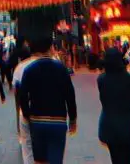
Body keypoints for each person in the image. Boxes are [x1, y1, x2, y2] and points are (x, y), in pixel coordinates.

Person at [20, 36, 77, 164]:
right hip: (58, 121)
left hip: (37, 121)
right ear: (51, 48)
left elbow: (22, 96)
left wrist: (27, 115)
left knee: (40, 160)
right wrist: (72, 119)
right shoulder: (61, 69)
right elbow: (70, 95)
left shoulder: (29, 69)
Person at [97, 47, 130, 164]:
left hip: (109, 127)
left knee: (116, 159)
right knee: (129, 160)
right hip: (128, 127)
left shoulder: (101, 80)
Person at [12, 50, 38, 164]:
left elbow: (15, 86)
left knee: (26, 145)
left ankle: (21, 137)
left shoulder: (19, 67)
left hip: (22, 102)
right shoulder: (38, 64)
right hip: (37, 103)